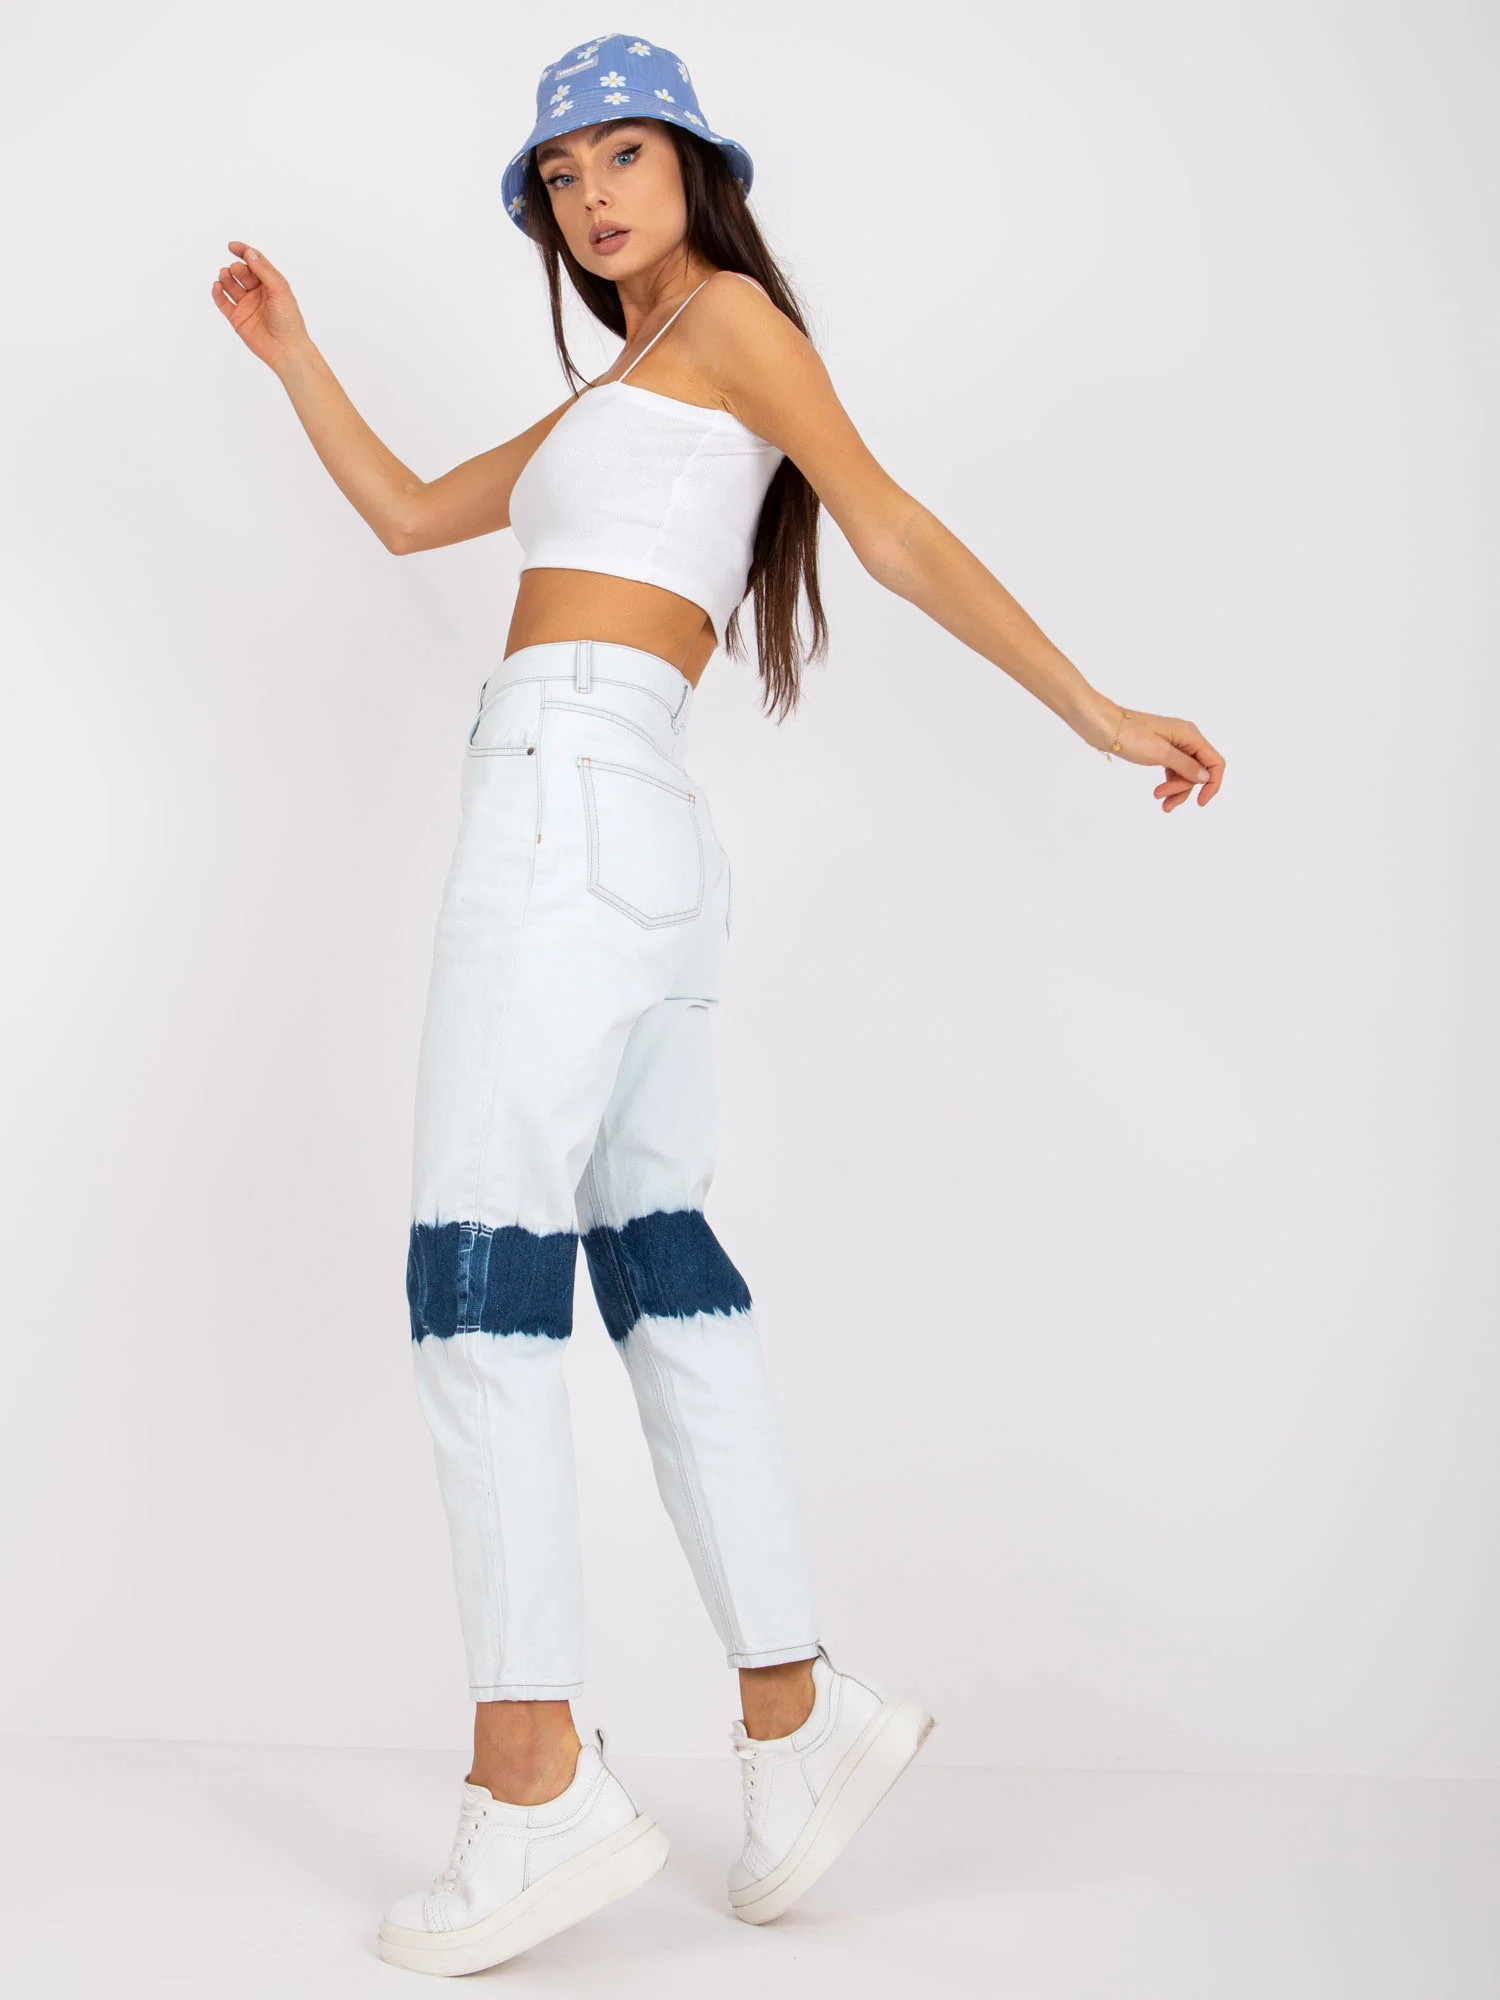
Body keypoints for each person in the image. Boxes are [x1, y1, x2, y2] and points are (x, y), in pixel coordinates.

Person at [212, 28, 1225, 1977]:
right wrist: (294, 355)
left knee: (474, 1273)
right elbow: (413, 512)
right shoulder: (621, 393)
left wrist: (1095, 711)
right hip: (638, 829)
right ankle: (795, 1711)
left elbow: (888, 525)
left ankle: (533, 1784)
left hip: (569, 804)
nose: (592, 196)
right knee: (663, 1270)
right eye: (560, 176)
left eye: (622, 156)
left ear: (695, 168)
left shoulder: (731, 328)